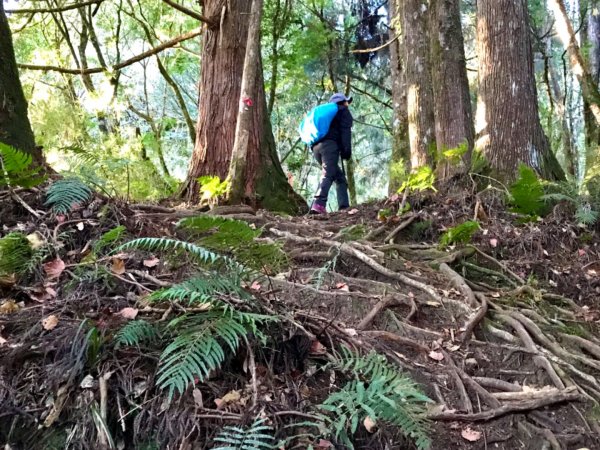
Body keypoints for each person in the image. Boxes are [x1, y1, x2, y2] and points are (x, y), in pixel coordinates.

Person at [310, 93, 353, 214]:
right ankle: (318, 204)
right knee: (328, 174)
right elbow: (346, 133)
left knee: (340, 179)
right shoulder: (343, 111)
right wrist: (346, 152)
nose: (347, 104)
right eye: (346, 102)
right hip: (329, 147)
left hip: (316, 148)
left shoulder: (327, 115)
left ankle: (344, 207)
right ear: (342, 102)